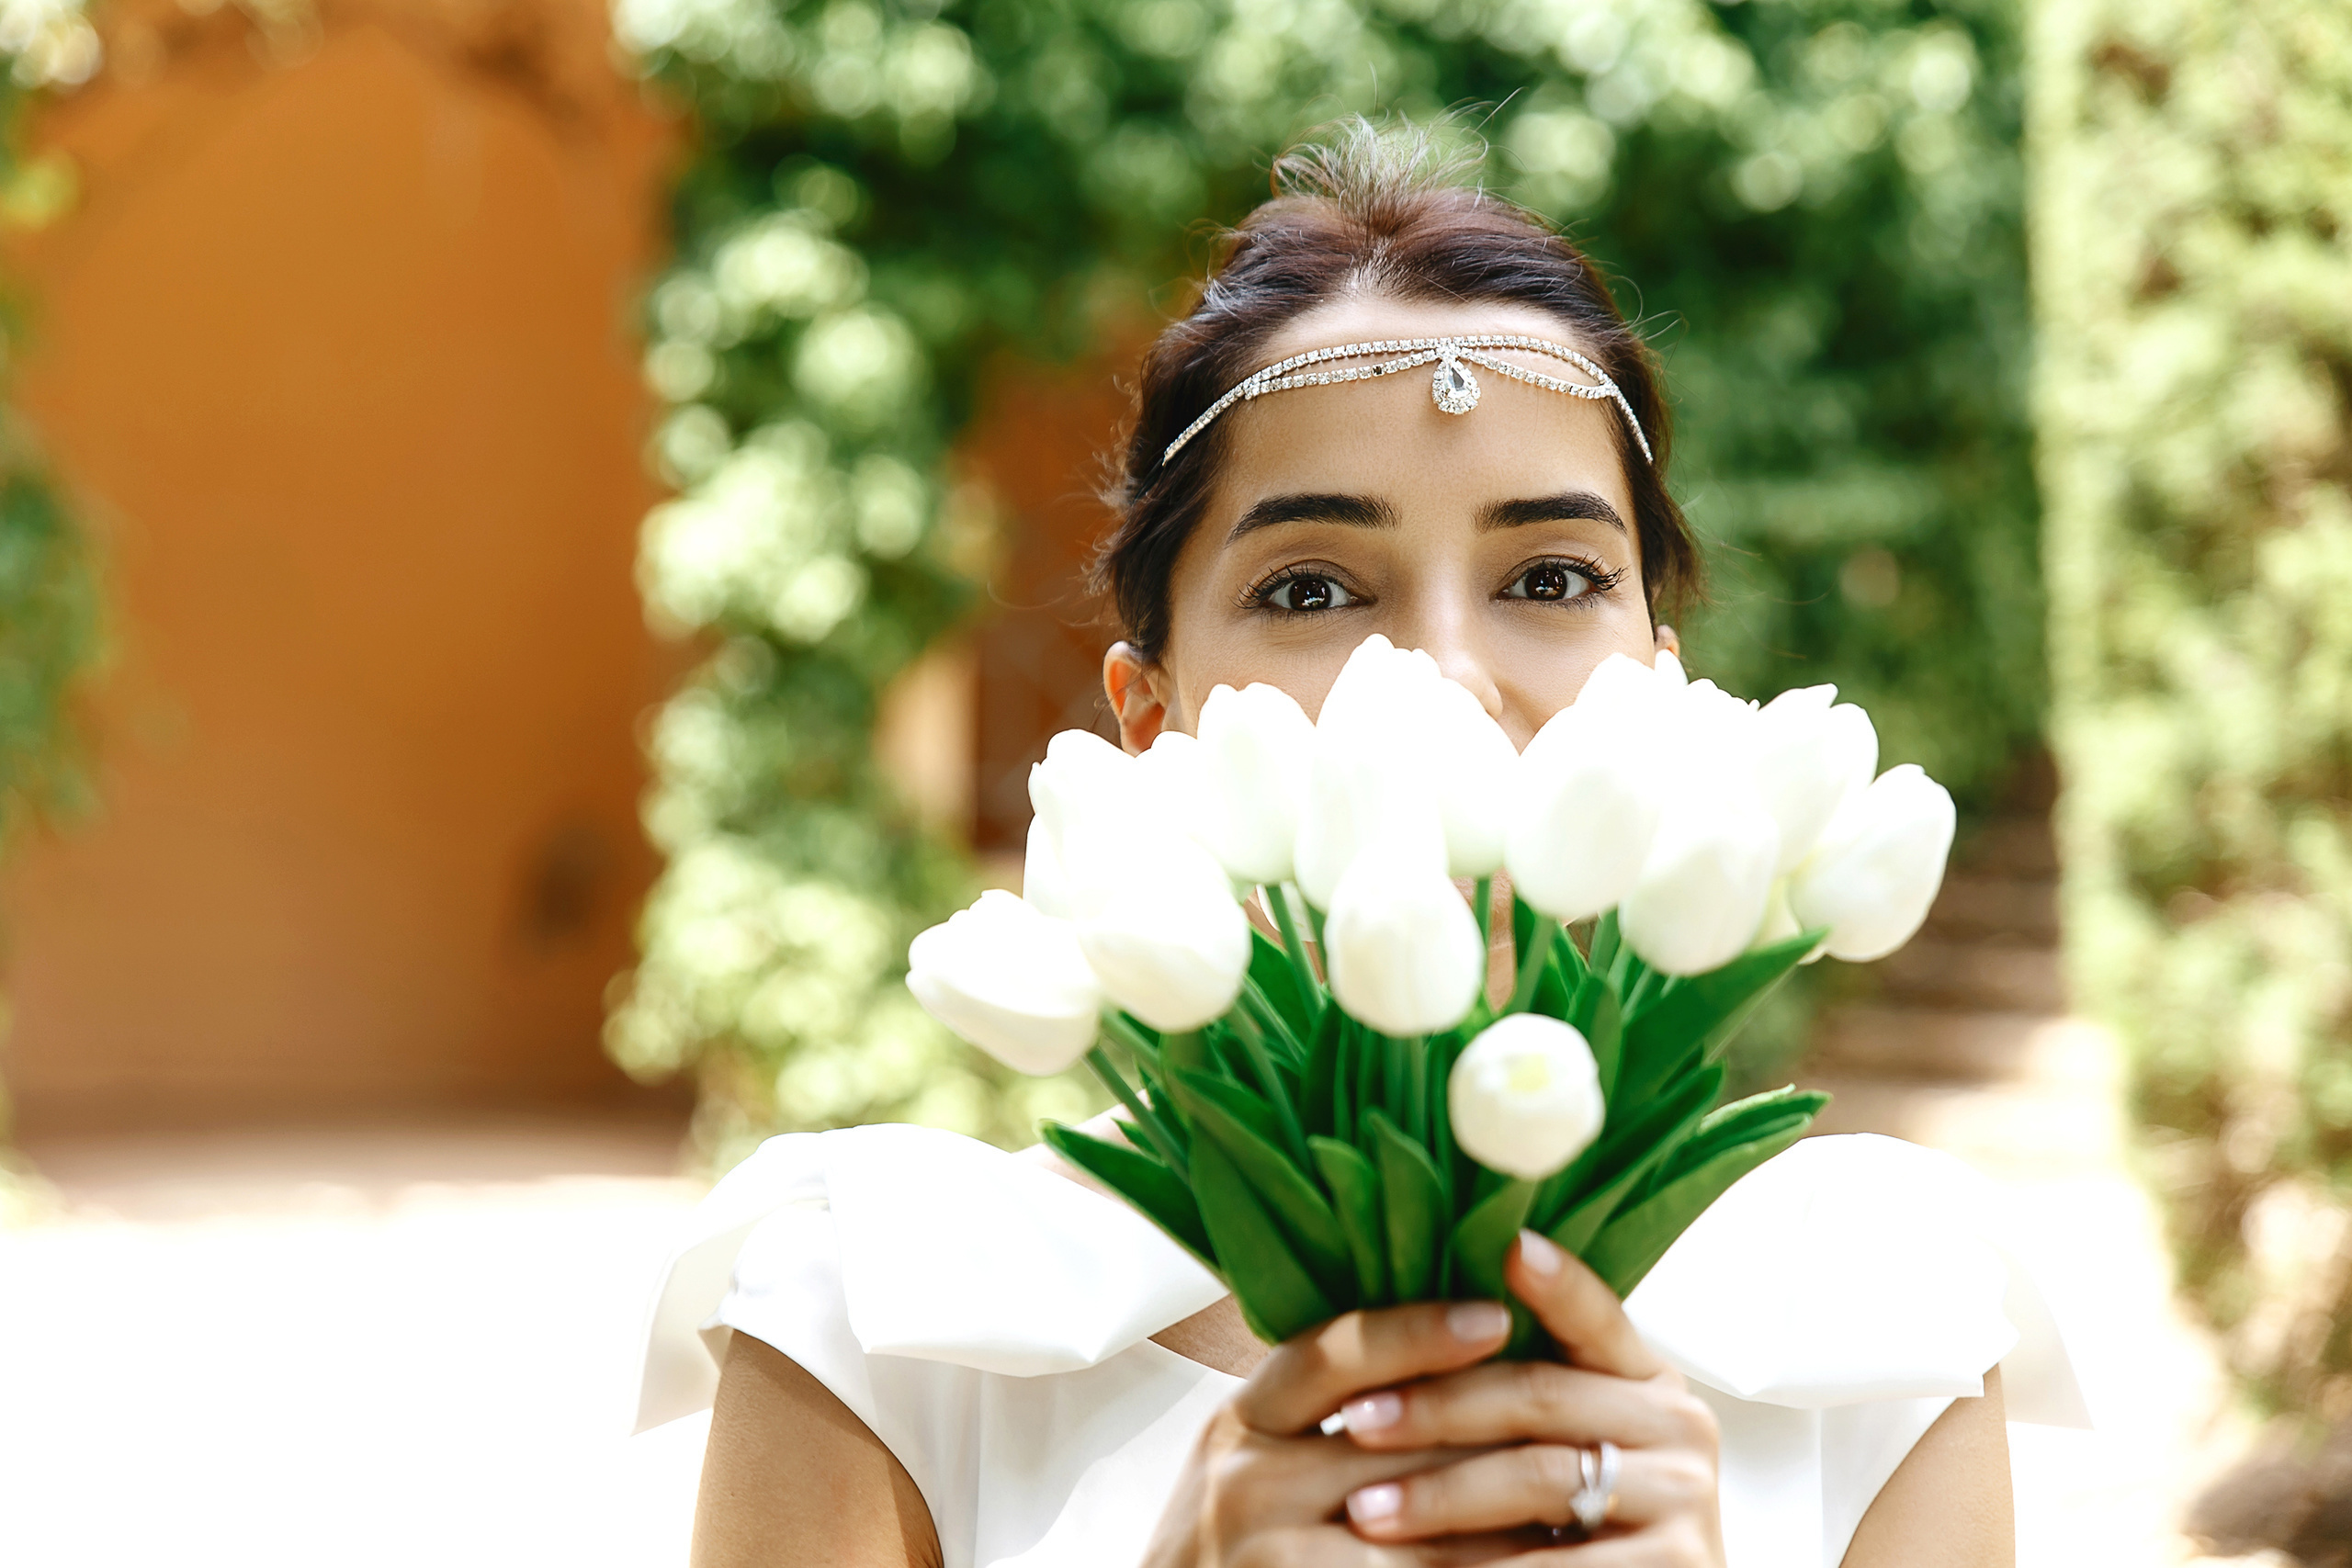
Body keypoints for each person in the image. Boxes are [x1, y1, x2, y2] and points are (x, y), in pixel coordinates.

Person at [635, 125, 2085, 1568]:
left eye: (1552, 576)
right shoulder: (884, 1322)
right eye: (1315, 585)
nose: (1446, 672)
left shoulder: (1874, 1329)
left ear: (1661, 686)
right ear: (1155, 719)